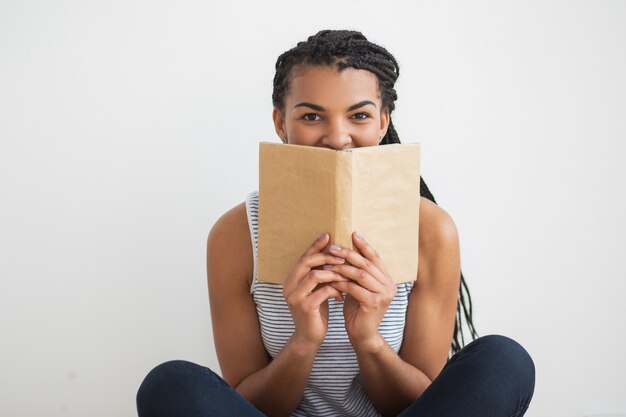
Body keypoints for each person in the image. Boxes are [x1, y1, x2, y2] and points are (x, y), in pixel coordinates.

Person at [137, 30, 536, 417]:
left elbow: (426, 404)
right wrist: (304, 340)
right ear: (281, 124)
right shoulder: (235, 235)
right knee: (169, 384)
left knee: (505, 361)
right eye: (312, 115)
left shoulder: (430, 230)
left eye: (359, 115)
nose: (338, 137)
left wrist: (368, 339)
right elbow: (245, 404)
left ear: (382, 123)